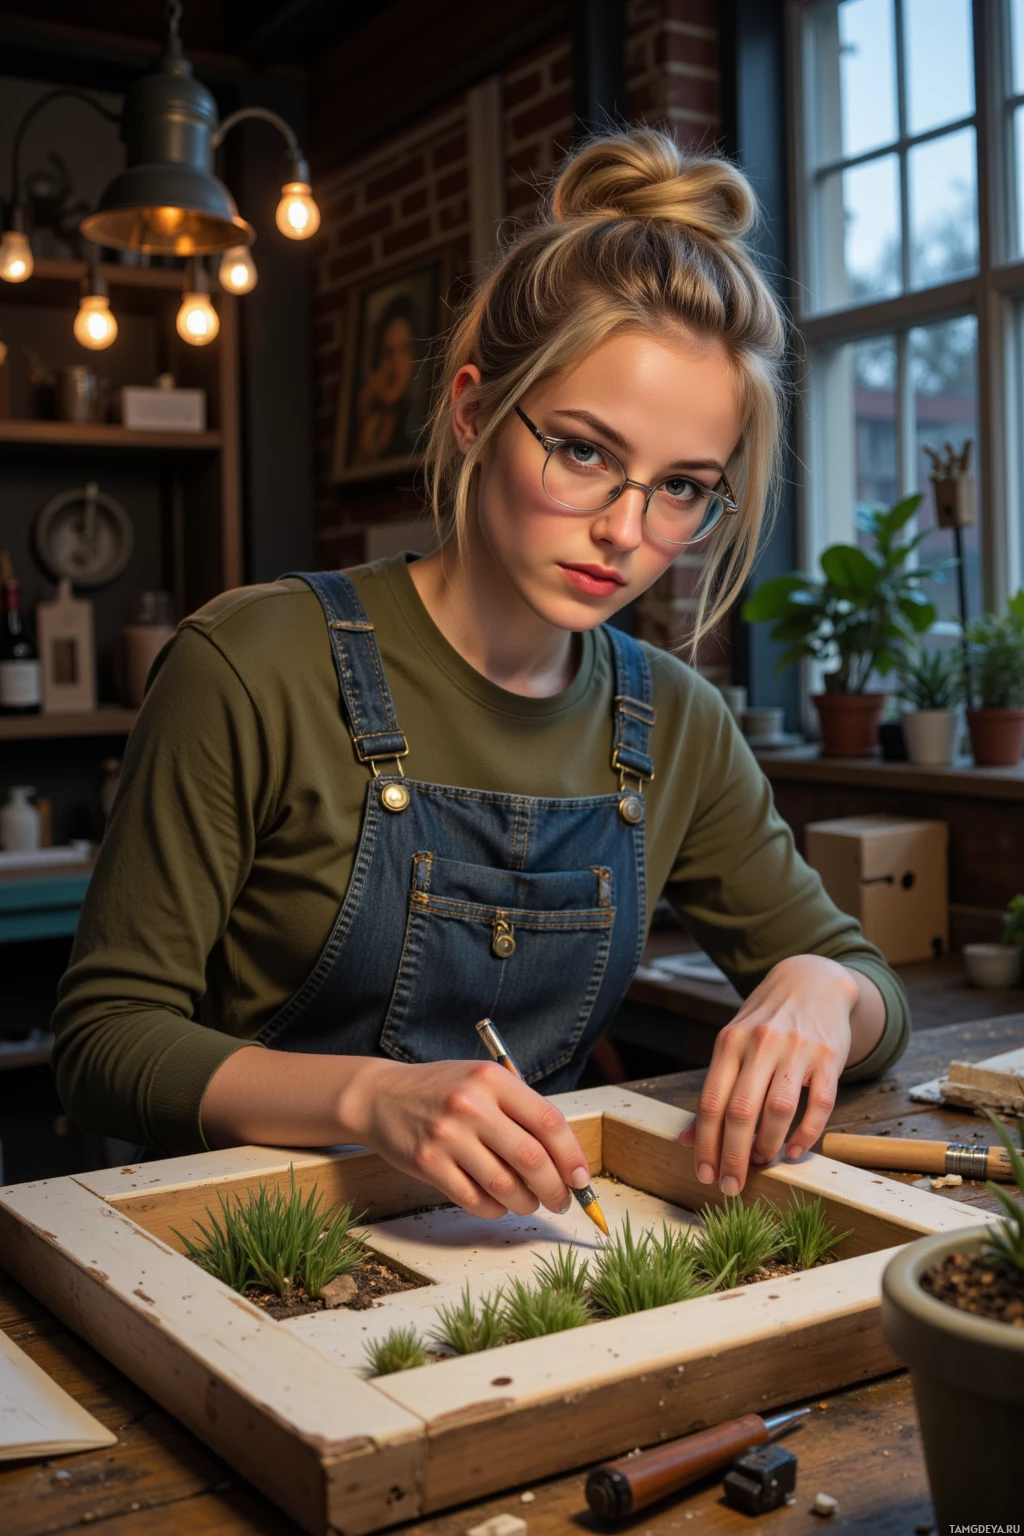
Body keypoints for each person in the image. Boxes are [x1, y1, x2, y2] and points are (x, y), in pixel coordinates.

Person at [53, 128, 909, 1223]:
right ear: (473, 412)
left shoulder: (676, 724)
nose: (625, 531)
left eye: (684, 486)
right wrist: (375, 1098)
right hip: (256, 1255)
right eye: (585, 451)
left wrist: (823, 993)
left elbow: (873, 993)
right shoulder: (252, 665)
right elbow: (105, 1042)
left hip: (528, 1258)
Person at [350, 293, 418, 465]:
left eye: (404, 350)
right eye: (388, 352)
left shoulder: (417, 422)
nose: (396, 364)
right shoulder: (364, 420)